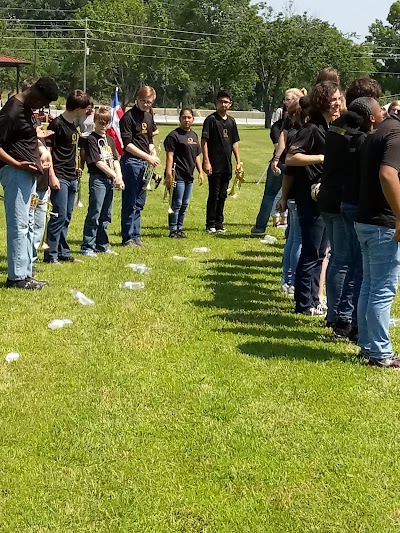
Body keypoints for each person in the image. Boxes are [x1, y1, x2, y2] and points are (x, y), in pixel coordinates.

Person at [318, 80, 382, 338]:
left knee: (339, 259)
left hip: (329, 197)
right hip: (345, 200)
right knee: (351, 263)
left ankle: (335, 315)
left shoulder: (336, 127)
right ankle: (344, 319)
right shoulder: (358, 137)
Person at [286, 81, 341, 315]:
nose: (337, 103)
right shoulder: (312, 129)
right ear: (322, 102)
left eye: (339, 99)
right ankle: (303, 303)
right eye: (333, 99)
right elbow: (291, 157)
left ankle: (314, 300)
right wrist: (320, 157)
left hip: (324, 198)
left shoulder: (331, 127)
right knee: (310, 251)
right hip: (309, 199)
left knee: (321, 252)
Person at [0, 77, 58, 289]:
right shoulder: (12, 110)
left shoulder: (25, 109)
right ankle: (15, 278)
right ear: (34, 90)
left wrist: (40, 153)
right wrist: (17, 163)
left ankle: (25, 274)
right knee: (18, 226)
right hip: (15, 174)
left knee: (27, 225)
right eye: (41, 101)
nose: (41, 106)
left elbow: (28, 138)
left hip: (29, 175)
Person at [355, 107, 400, 368]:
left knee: (370, 286)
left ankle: (368, 346)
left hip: (366, 219)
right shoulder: (396, 133)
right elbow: (387, 174)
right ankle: (381, 352)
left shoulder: (379, 131)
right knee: (382, 290)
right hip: (382, 223)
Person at [44, 89, 91, 264]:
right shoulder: (56, 124)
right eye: (85, 108)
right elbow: (48, 153)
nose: (87, 111)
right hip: (60, 176)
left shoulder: (73, 126)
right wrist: (52, 177)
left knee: (67, 216)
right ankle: (51, 254)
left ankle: (64, 251)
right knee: (59, 215)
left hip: (72, 176)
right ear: (77, 108)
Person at [80, 108, 124, 256]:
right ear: (95, 121)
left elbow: (115, 160)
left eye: (107, 122)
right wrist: (115, 176)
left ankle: (102, 245)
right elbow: (98, 162)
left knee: (106, 214)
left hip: (109, 180)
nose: (104, 125)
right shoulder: (91, 139)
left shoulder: (110, 140)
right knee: (95, 213)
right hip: (98, 179)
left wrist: (119, 176)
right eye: (101, 122)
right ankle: (87, 246)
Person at [120, 85, 160, 247]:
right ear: (137, 99)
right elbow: (127, 145)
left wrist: (153, 153)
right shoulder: (128, 118)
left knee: (139, 202)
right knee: (130, 201)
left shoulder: (148, 117)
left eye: (149, 102)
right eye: (143, 101)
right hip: (132, 162)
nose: (146, 105)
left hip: (144, 163)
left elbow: (148, 141)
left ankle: (136, 235)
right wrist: (146, 157)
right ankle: (127, 237)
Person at [202, 90, 241, 234]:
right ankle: (210, 224)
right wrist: (206, 161)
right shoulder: (211, 120)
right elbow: (204, 141)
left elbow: (234, 142)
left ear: (230, 104)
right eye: (221, 101)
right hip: (214, 163)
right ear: (216, 103)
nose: (223, 104)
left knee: (223, 194)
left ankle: (219, 223)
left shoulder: (231, 122)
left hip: (226, 164)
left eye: (226, 102)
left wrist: (238, 161)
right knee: (214, 194)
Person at [164, 108, 204, 238]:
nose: (187, 120)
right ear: (180, 119)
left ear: (193, 119)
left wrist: (200, 172)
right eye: (184, 117)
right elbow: (169, 156)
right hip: (178, 174)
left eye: (189, 117)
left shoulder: (194, 135)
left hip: (189, 175)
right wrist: (169, 174)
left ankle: (180, 228)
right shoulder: (173, 136)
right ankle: (173, 230)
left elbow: (197, 155)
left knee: (185, 204)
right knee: (177, 203)